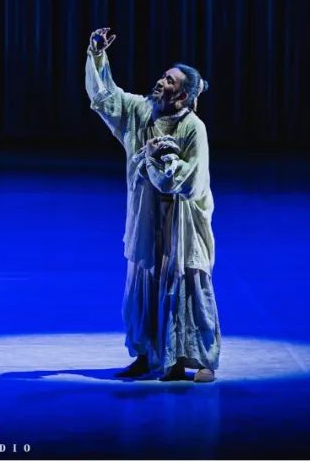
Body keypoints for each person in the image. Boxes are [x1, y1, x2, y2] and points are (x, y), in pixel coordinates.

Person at [84, 27, 221, 382]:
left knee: (186, 283)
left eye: (170, 81)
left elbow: (191, 181)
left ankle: (199, 359)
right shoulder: (141, 112)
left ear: (184, 95)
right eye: (163, 76)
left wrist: (162, 158)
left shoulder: (193, 128)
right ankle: (147, 355)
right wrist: (97, 54)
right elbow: (106, 98)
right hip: (147, 217)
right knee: (145, 280)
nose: (161, 82)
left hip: (181, 222)